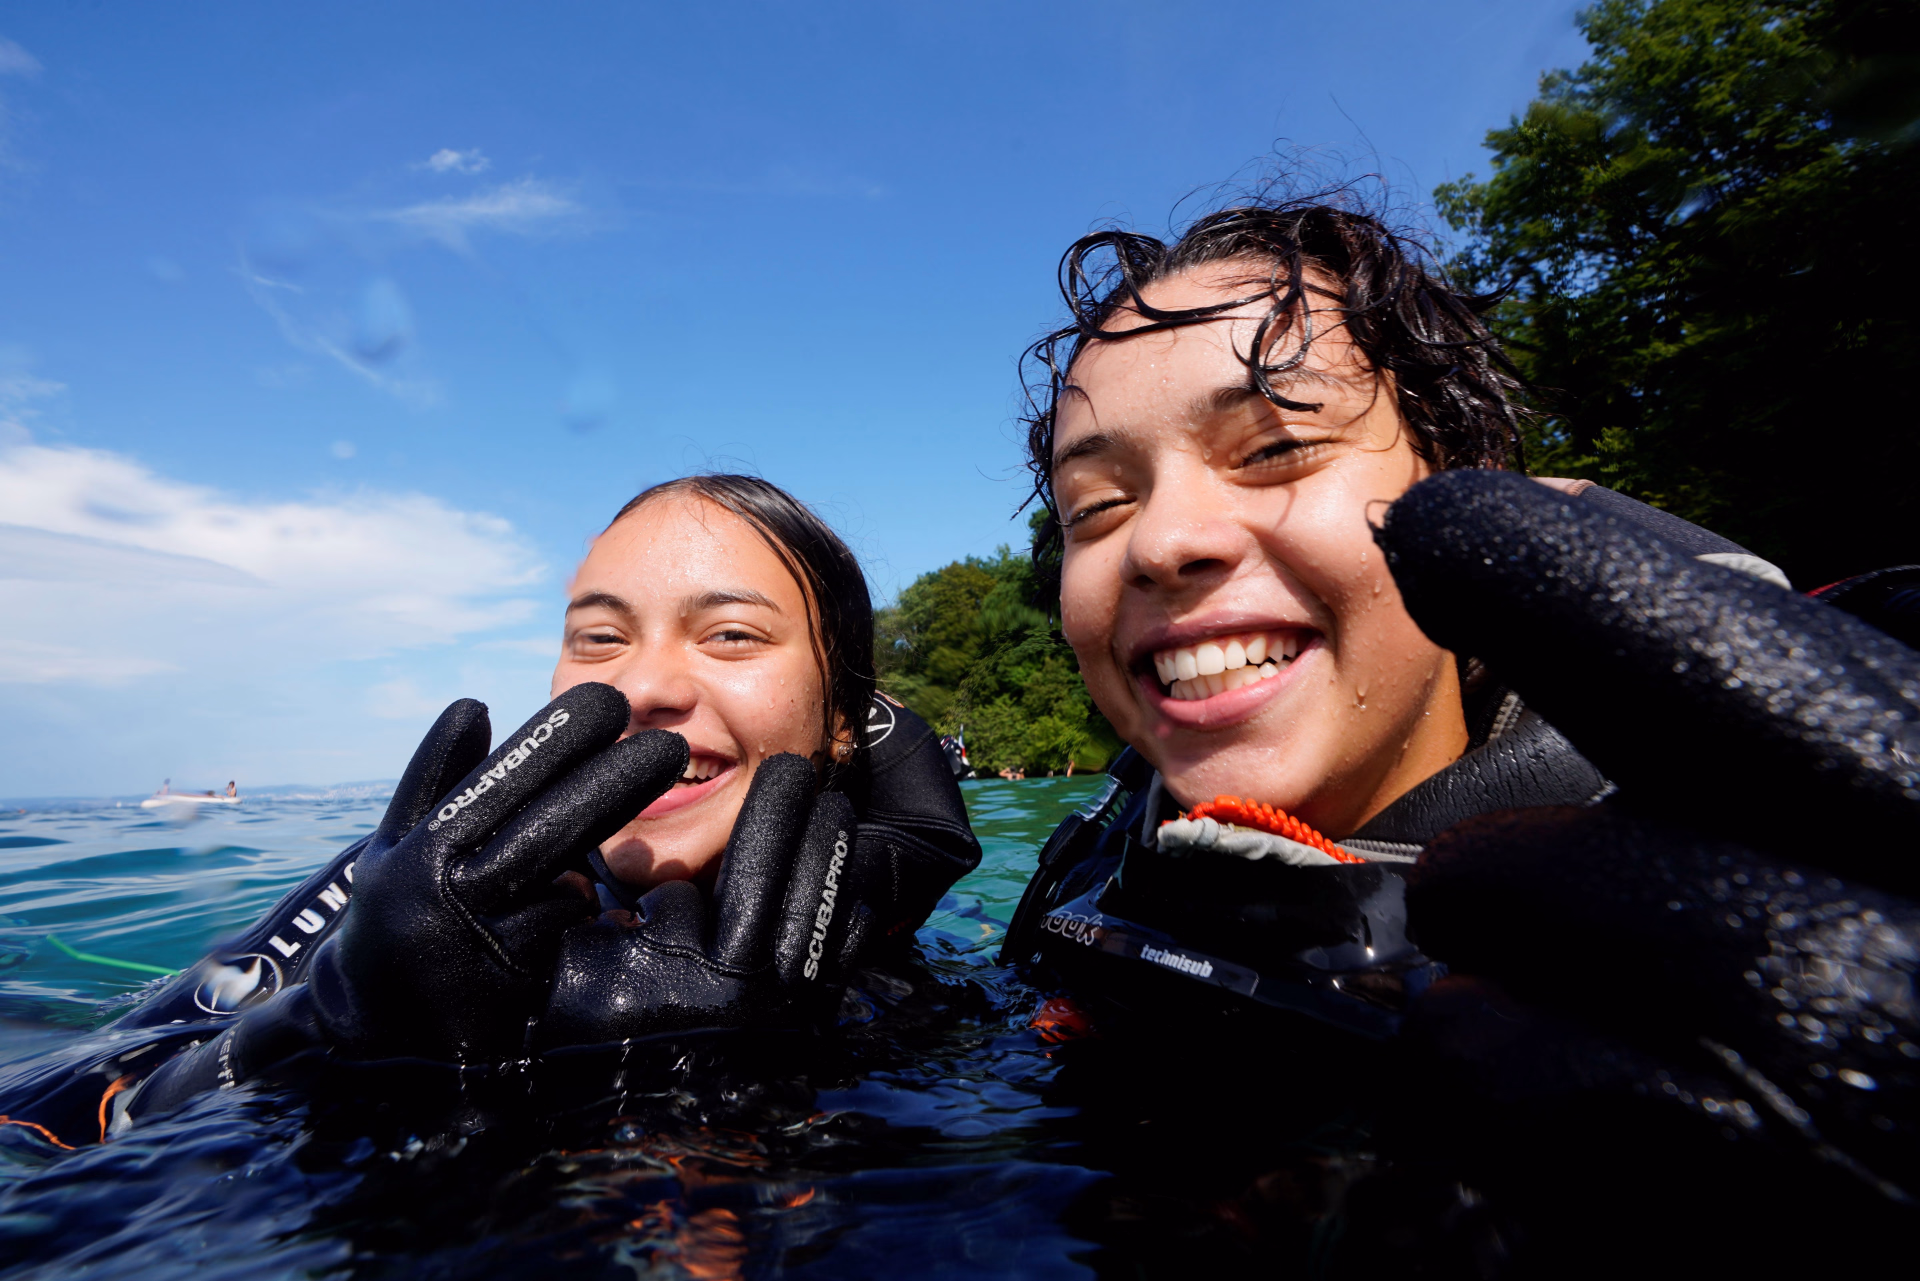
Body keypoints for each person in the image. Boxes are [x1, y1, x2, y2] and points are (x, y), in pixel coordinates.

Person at [996, 195, 1920, 1270]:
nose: (1160, 541)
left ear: (1462, 483)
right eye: (1096, 507)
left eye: (1277, 447)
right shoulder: (1090, 877)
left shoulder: (1783, 847)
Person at [0, 475, 979, 1148]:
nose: (643, 686)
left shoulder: (914, 981)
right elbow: (53, 1127)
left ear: (844, 722)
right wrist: (337, 1034)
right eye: (599, 638)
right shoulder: (409, 909)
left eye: (729, 634)